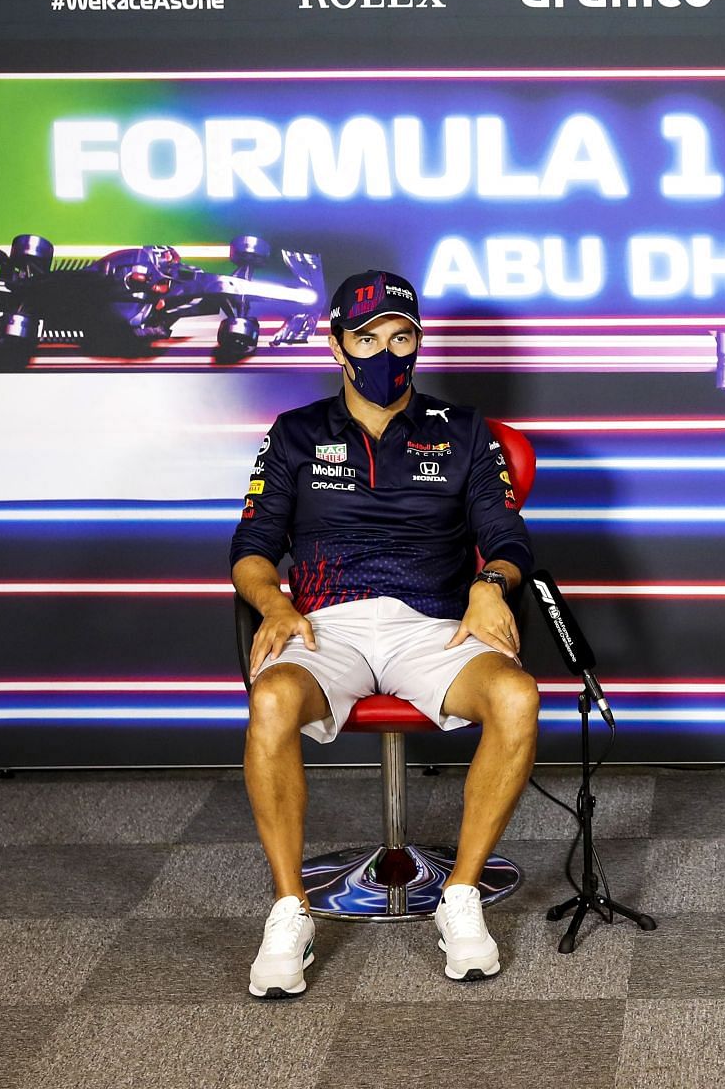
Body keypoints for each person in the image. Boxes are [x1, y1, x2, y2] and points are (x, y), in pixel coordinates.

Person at [229, 269, 538, 998]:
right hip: (324, 623)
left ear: (418, 343)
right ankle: (289, 911)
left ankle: (459, 896)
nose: (385, 354)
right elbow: (251, 545)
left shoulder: (462, 430)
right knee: (271, 702)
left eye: (402, 338)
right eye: (367, 338)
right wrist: (273, 605)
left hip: (433, 626)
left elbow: (507, 537)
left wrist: (492, 585)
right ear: (338, 344)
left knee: (518, 699)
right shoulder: (297, 432)